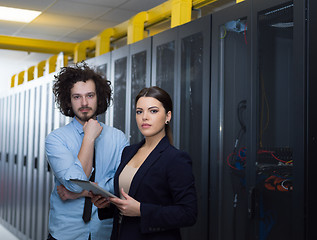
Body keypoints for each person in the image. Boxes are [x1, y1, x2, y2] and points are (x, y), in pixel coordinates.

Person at [91, 86, 197, 240]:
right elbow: (127, 202)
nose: (144, 117)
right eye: (139, 111)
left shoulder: (176, 159)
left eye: (153, 111)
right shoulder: (128, 152)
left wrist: (142, 210)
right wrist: (107, 206)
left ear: (168, 116)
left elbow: (188, 213)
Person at [45, 62, 128, 240]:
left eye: (90, 95)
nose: (84, 103)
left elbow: (121, 185)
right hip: (66, 233)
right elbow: (74, 183)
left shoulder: (118, 138)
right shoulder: (56, 139)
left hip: (104, 232)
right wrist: (89, 137)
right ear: (68, 100)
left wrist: (81, 193)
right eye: (77, 97)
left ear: (99, 98)